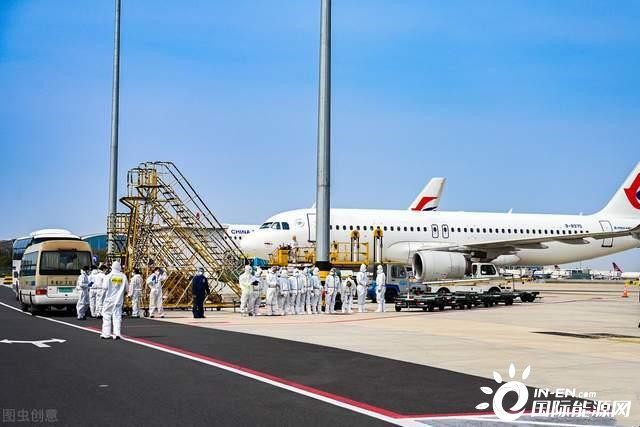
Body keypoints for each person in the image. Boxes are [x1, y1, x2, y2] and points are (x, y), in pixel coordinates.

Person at [101, 261, 128, 339]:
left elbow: (104, 287)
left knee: (106, 316)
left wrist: (101, 299)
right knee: (117, 316)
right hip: (118, 300)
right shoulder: (123, 276)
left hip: (109, 300)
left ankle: (106, 334)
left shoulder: (108, 276)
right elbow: (127, 289)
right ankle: (117, 334)